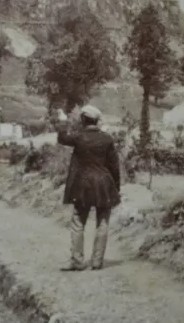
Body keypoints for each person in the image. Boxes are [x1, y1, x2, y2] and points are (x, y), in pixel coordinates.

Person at [54, 105, 121, 271]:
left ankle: (77, 261)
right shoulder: (107, 139)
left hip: (83, 185)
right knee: (103, 222)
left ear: (83, 119)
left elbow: (62, 138)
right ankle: (97, 262)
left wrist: (63, 120)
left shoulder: (78, 137)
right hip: (104, 184)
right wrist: (116, 187)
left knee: (78, 222)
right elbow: (114, 165)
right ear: (97, 120)